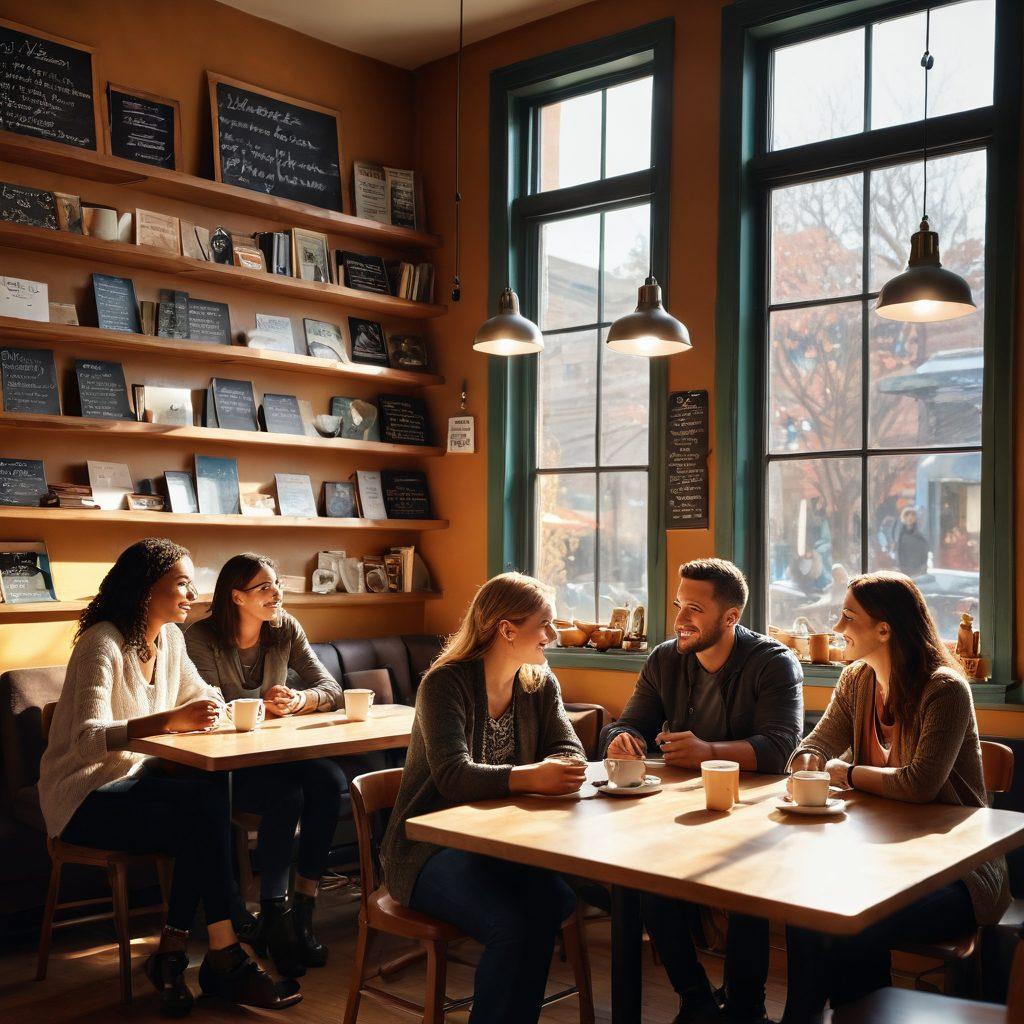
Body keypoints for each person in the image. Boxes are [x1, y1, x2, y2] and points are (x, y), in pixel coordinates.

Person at [37, 539, 300, 1016]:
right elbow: (86, 739)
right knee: (203, 814)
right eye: (181, 582)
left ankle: (182, 952)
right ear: (144, 589)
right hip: (82, 796)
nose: (192, 592)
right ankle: (215, 955)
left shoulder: (172, 640)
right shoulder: (102, 642)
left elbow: (201, 694)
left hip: (134, 782)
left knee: (206, 800)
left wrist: (223, 709)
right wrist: (167, 721)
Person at [781, 571, 1009, 1023]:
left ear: (884, 630)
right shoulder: (856, 680)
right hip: (882, 862)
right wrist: (806, 762)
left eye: (848, 617)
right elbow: (814, 745)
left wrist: (846, 773)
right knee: (803, 908)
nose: (839, 628)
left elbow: (919, 784)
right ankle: (802, 1019)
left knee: (851, 922)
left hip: (958, 871)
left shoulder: (944, 689)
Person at [600, 558, 804, 1024]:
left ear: (731, 617)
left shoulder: (773, 662)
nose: (679, 620)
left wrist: (708, 750)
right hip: (679, 809)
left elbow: (781, 749)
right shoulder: (666, 659)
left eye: (694, 609)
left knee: (747, 887)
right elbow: (630, 722)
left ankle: (746, 1008)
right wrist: (620, 738)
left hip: (755, 813)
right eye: (677, 605)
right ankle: (694, 998)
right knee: (645, 875)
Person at [380, 572, 588, 1024]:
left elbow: (570, 751)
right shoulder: (444, 684)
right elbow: (454, 777)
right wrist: (531, 776)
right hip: (426, 849)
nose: (553, 635)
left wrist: (547, 771)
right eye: (545, 624)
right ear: (507, 630)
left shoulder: (539, 683)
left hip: (500, 843)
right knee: (511, 926)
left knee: (555, 902)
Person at [185, 553, 347, 978]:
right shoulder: (199, 636)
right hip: (224, 767)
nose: (277, 593)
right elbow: (205, 704)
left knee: (330, 780)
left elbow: (330, 686)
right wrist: (263, 708)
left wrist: (301, 700)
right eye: (265, 587)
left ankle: (303, 912)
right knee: (287, 795)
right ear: (236, 596)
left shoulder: (285, 628)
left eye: (278, 584)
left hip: (277, 755)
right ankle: (275, 912)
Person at [895, 507, 929, 577]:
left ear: (916, 518)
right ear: (904, 517)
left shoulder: (920, 534)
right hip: (904, 569)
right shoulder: (900, 534)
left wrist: (922, 567)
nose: (910, 518)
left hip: (918, 570)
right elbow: (899, 552)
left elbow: (924, 552)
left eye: (913, 515)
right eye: (907, 515)